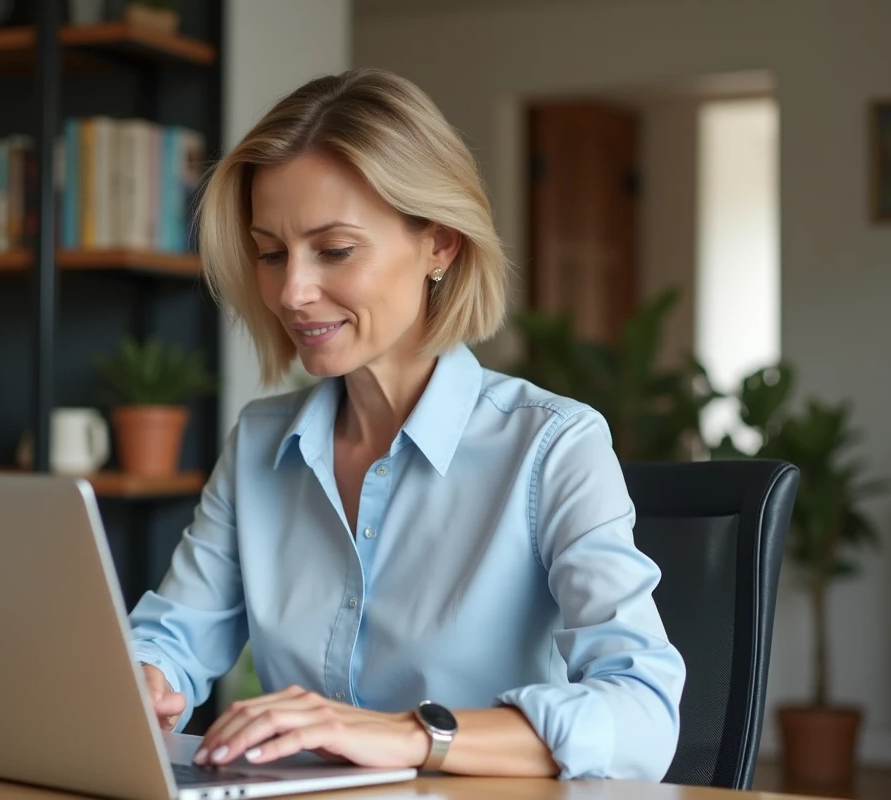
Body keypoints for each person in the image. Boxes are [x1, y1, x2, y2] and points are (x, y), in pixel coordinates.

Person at [128, 68, 686, 782]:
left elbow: (643, 715)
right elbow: (174, 635)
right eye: (271, 253)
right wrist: (146, 678)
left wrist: (412, 735)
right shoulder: (260, 443)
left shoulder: (554, 447)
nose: (292, 291)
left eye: (334, 249)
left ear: (440, 245)